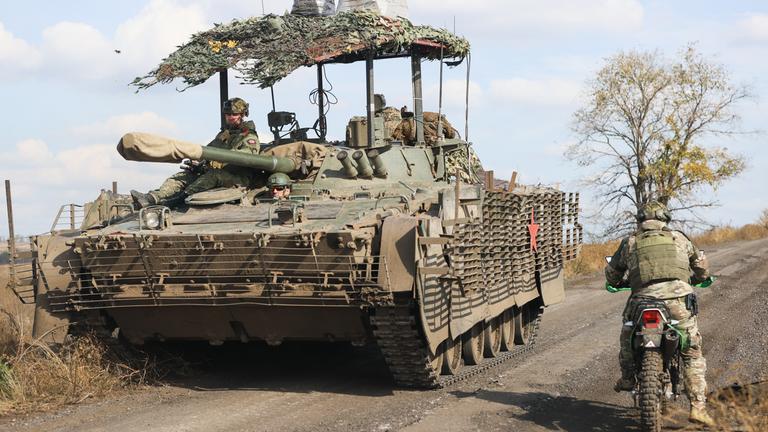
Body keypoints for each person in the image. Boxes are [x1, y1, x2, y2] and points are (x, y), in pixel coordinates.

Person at [605, 201, 714, 426]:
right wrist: (699, 278)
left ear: (640, 221)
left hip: (643, 302)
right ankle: (698, 407)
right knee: (691, 350)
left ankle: (627, 378)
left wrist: (619, 281)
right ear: (665, 219)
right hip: (678, 303)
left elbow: (612, 275)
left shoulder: (630, 242)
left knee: (628, 334)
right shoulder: (680, 238)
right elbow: (702, 269)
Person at [131, 97, 261, 208]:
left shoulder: (249, 137)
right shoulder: (224, 135)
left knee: (213, 175)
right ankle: (151, 198)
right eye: (228, 114)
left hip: (238, 178)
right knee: (183, 176)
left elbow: (246, 157)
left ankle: (176, 201)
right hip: (213, 173)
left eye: (234, 114)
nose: (231, 117)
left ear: (242, 115)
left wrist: (218, 162)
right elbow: (209, 151)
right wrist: (199, 162)